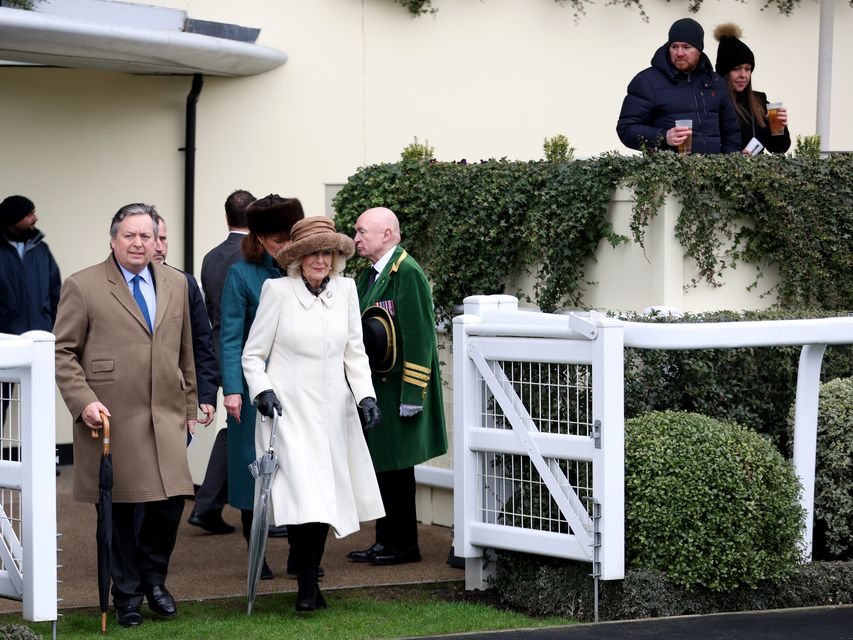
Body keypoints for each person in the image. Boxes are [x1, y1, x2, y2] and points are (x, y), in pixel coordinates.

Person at [54, 203, 199, 628]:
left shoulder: (176, 282)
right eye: (130, 236)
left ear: (157, 240)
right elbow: (63, 352)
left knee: (169, 504)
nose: (139, 243)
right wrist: (84, 402)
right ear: (113, 239)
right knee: (117, 511)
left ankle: (155, 581)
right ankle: (128, 595)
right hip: (113, 416)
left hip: (167, 415)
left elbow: (185, 348)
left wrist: (190, 405)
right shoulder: (83, 286)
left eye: (146, 236)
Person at [242, 215, 384, 612]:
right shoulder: (278, 292)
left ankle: (310, 581)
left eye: (327, 252)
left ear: (336, 257)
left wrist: (366, 397)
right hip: (288, 411)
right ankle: (306, 586)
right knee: (305, 497)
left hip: (334, 413)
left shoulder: (348, 291)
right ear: (297, 258)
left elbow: (354, 353)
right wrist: (262, 390)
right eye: (312, 253)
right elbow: (253, 355)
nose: (320, 260)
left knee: (325, 499)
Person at [347, 207, 448, 566]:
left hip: (398, 391)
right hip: (377, 390)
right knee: (382, 468)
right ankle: (384, 540)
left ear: (387, 234)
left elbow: (420, 337)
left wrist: (412, 396)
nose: (356, 238)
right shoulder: (367, 275)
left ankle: (404, 546)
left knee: (398, 470)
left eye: (362, 232)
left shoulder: (407, 272)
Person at [220, 194, 304, 579]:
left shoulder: (307, 271)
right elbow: (231, 336)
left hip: (298, 388)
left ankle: (300, 556)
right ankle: (257, 552)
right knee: (250, 474)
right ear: (258, 239)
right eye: (275, 240)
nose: (284, 246)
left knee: (300, 472)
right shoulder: (242, 274)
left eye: (289, 237)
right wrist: (233, 389)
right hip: (255, 391)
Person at [187, 189, 256, 535]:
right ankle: (230, 506)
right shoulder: (253, 257)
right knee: (242, 429)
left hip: (216, 346)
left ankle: (209, 504)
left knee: (232, 428)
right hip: (245, 351)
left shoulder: (211, 257)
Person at [616, 17, 741, 154]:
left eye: (686, 47)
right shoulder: (646, 81)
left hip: (712, 173)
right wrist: (664, 137)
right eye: (674, 47)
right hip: (667, 174)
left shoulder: (715, 82)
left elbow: (731, 131)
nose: (679, 53)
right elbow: (626, 129)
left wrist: (731, 166)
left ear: (699, 50)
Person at [151, 213, 217, 432]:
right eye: (154, 239)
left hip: (175, 399)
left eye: (164, 239)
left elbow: (202, 342)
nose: (160, 247)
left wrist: (206, 394)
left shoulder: (184, 283)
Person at [0, 195, 61, 424]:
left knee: (40, 404)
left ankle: (40, 458)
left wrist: (55, 329)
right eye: (29, 214)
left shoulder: (41, 249)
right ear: (13, 219)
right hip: (5, 342)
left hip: (40, 340)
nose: (35, 218)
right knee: (2, 402)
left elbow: (56, 291)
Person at [714, 23, 791, 155]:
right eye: (736, 69)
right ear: (724, 72)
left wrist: (778, 128)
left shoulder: (760, 101)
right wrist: (735, 157)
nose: (743, 75)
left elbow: (779, 149)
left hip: (757, 174)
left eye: (748, 69)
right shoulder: (714, 102)